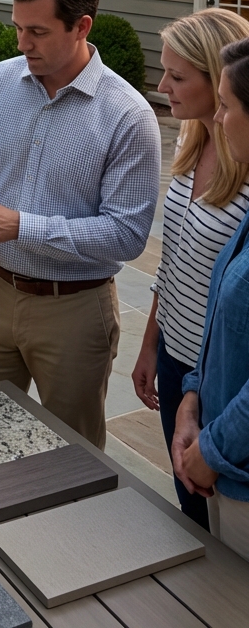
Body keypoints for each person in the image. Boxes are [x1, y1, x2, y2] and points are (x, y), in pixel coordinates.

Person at [0, 0, 161, 448]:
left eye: (37, 31)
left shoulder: (128, 116)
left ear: (81, 27)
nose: (22, 43)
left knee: (70, 458)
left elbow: (127, 236)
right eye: (17, 28)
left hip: (72, 311)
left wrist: (22, 226)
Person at [132, 10, 249, 529]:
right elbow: (175, 254)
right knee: (190, 509)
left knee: (217, 520)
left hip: (222, 379)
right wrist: (151, 341)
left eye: (178, 77)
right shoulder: (191, 139)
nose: (163, 87)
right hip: (180, 365)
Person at [172, 37, 249, 561]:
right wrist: (193, 396)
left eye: (226, 106)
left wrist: (213, 449)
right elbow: (223, 313)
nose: (217, 119)